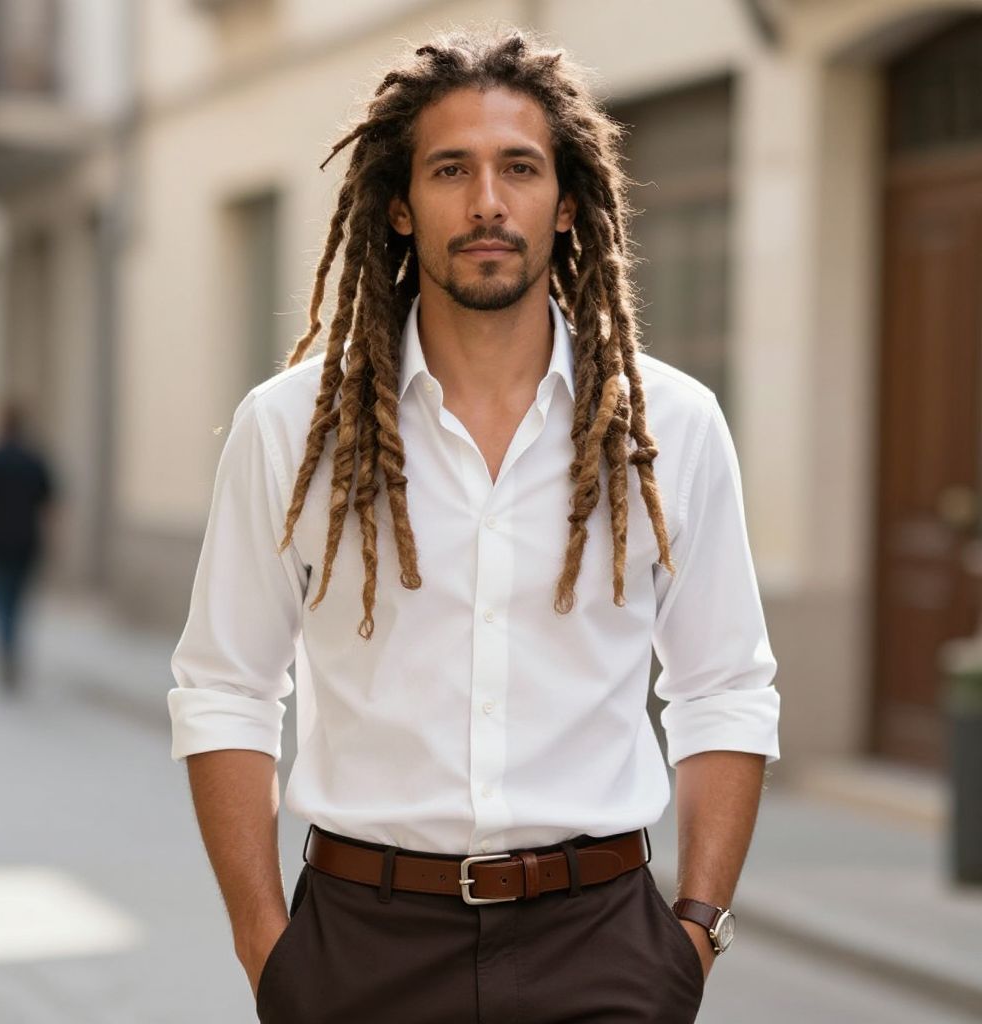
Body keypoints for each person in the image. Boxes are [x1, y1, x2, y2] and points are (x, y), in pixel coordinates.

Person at [168, 25, 781, 1024]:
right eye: (451, 168)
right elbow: (225, 689)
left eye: (519, 168)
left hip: (601, 948)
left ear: (568, 203)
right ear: (401, 205)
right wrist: (265, 947)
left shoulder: (669, 425)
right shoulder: (290, 430)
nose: (487, 202)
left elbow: (725, 689)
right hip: (360, 949)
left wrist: (694, 932)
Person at [0, 399, 56, 692]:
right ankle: (10, 647)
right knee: (17, 601)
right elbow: (50, 505)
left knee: (0, 600)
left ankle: (5, 649)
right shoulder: (34, 460)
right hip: (26, 541)